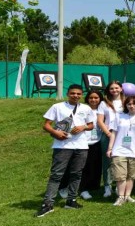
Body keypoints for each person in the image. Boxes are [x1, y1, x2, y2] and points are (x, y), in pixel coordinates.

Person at [35, 84, 96, 217]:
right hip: (62, 146)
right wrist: (55, 133)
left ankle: (71, 201)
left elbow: (91, 125)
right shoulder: (57, 107)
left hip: (81, 146)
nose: (76, 96)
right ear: (68, 93)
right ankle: (48, 204)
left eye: (79, 94)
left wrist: (83, 127)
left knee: (77, 174)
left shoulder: (86, 108)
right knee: (56, 174)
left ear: (81, 95)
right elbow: (46, 125)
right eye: (73, 93)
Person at [106, 96, 135, 206]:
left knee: (131, 175)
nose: (131, 106)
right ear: (126, 106)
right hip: (119, 150)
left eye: (134, 104)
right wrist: (110, 148)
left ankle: (128, 196)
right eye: (129, 104)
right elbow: (114, 133)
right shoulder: (119, 116)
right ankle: (120, 197)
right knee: (120, 175)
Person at [98, 80, 125, 198]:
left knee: (121, 161)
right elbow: (100, 120)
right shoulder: (104, 103)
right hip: (108, 135)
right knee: (107, 162)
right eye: (112, 88)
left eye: (116, 88)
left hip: (123, 135)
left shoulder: (126, 101)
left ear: (121, 89)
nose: (114, 90)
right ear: (108, 90)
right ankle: (107, 187)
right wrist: (108, 134)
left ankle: (119, 186)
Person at [79, 90, 104, 200]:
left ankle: (94, 186)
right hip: (84, 142)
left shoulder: (102, 110)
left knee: (96, 165)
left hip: (97, 141)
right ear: (87, 99)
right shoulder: (82, 109)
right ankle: (83, 189)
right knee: (84, 167)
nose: (93, 100)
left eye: (96, 98)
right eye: (91, 98)